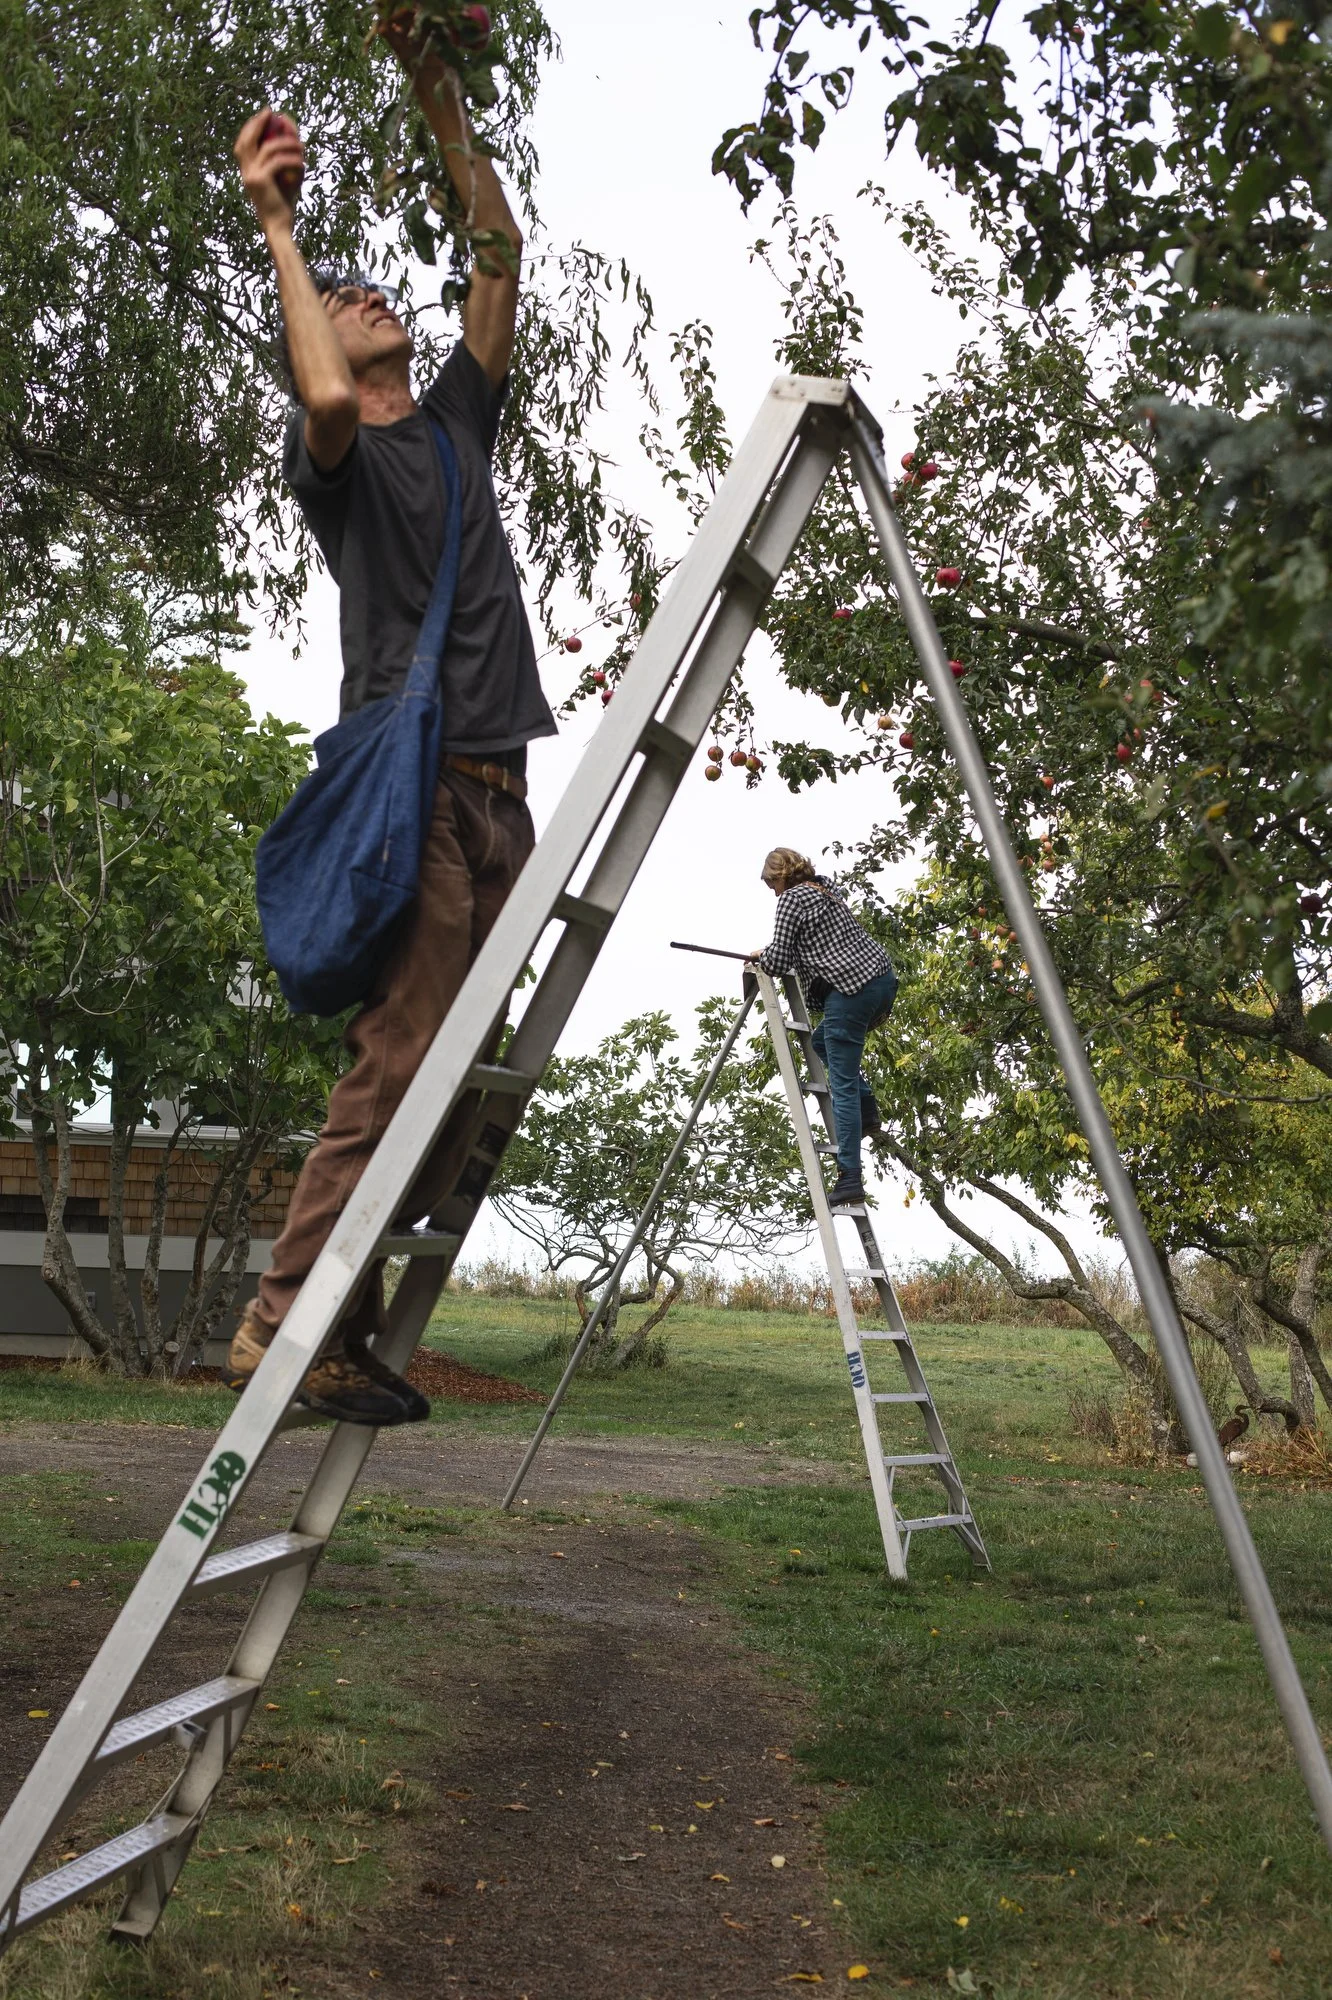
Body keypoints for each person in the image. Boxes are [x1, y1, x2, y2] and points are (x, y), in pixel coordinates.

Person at [226, 28, 554, 1426]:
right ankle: (279, 1321)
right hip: (417, 796)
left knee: (460, 1086)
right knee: (402, 1057)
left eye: (372, 290)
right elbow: (311, 389)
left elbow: (498, 247)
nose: (366, 296)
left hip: (504, 798)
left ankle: (342, 1321)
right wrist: (277, 228)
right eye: (341, 298)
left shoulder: (459, 426)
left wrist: (433, 74)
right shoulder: (341, 466)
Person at [750, 848, 896, 1209]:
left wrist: (759, 957)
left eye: (772, 883)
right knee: (821, 1041)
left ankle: (850, 1178)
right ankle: (868, 1108)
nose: (773, 891)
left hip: (849, 990)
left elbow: (779, 959)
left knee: (841, 1087)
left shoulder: (790, 900)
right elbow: (813, 942)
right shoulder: (824, 891)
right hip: (881, 981)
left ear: (780, 875)